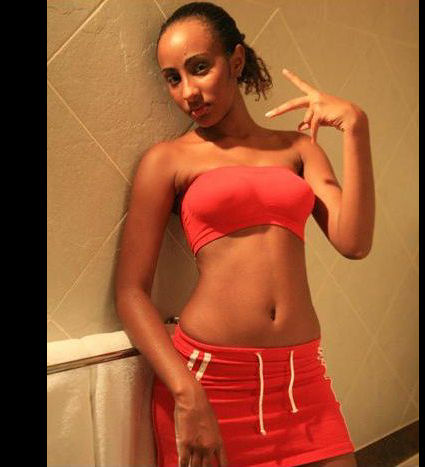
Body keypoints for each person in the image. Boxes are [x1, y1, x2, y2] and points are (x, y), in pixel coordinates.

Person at [114, 2, 375, 466]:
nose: (188, 92)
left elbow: (354, 243)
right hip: (209, 382)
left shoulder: (298, 149)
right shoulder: (167, 160)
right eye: (173, 78)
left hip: (300, 379)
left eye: (199, 68)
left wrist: (356, 126)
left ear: (235, 61)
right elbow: (130, 292)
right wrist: (186, 393)